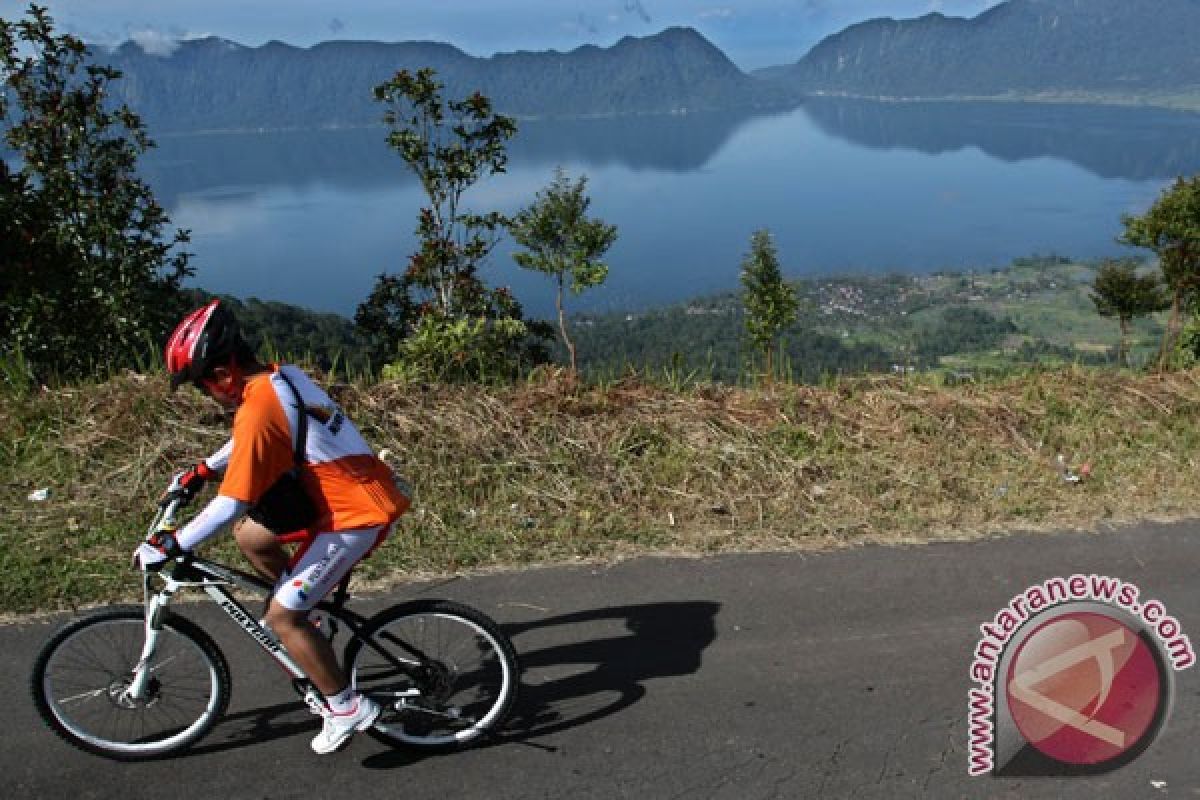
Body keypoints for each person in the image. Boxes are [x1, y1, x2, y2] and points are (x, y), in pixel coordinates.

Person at [132, 298, 411, 755]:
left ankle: (346, 706)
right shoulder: (280, 377)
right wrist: (203, 468)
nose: (207, 395)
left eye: (202, 386)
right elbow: (252, 443)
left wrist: (172, 544)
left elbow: (232, 501)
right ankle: (309, 619)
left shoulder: (258, 405)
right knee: (251, 534)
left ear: (222, 373)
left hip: (354, 515)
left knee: (281, 617)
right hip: (354, 494)